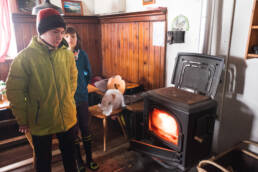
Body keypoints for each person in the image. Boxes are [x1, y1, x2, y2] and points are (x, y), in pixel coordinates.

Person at [6, 8, 78, 172]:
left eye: (61, 32)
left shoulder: (66, 55)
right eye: (55, 32)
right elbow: (15, 92)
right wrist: (23, 119)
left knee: (70, 158)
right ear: (42, 32)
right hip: (40, 121)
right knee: (43, 162)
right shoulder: (24, 58)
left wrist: (67, 98)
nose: (59, 37)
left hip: (67, 118)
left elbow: (73, 79)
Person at [65, 27, 99, 171]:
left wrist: (83, 82)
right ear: (63, 38)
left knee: (85, 128)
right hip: (68, 100)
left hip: (82, 98)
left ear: (77, 38)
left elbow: (88, 73)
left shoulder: (83, 54)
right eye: (66, 36)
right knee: (73, 132)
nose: (70, 39)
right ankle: (79, 162)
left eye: (73, 36)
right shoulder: (61, 55)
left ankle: (90, 158)